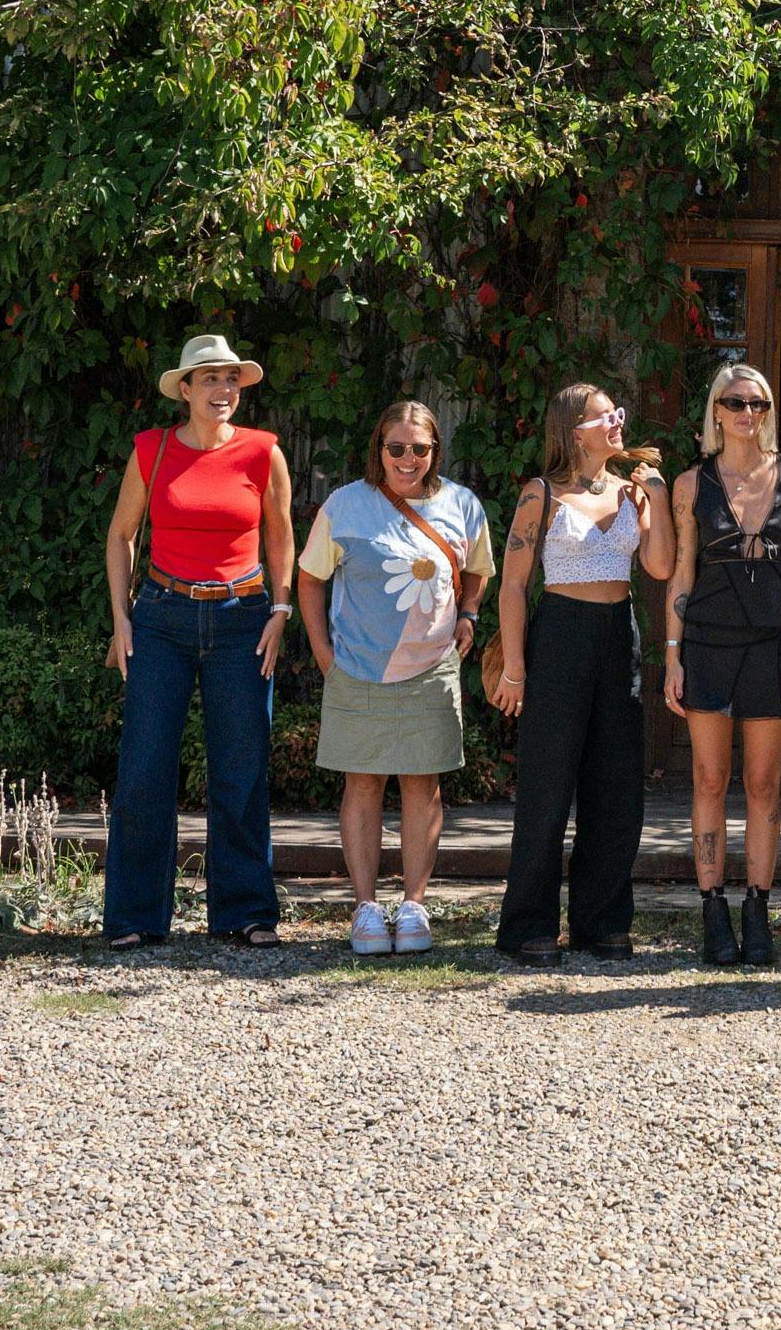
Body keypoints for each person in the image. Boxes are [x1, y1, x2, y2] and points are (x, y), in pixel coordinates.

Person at [99, 333, 294, 950]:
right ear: (184, 389)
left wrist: (281, 609)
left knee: (243, 769)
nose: (224, 389)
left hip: (244, 619)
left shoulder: (263, 452)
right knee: (144, 769)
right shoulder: (151, 449)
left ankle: (246, 911)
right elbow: (121, 534)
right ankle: (135, 917)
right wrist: (121, 618)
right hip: (161, 619)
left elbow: (281, 534)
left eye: (231, 378)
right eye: (210, 378)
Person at [298, 400, 491, 956]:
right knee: (362, 784)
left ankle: (413, 906)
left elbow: (478, 569)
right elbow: (309, 579)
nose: (408, 459)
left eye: (420, 449)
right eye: (397, 448)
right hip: (358, 668)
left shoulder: (462, 504)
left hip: (431, 669)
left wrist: (469, 613)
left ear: (435, 451)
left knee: (422, 786)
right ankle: (365, 907)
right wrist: (322, 651)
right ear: (379, 450)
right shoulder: (345, 505)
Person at [493, 383, 673, 966]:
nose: (619, 422)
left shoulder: (632, 491)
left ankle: (603, 922)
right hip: (559, 635)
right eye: (605, 416)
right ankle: (529, 925)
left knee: (618, 787)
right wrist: (515, 668)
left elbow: (660, 566)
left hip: (618, 635)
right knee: (547, 786)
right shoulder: (540, 494)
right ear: (574, 430)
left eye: (619, 413)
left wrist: (655, 496)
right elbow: (513, 586)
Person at [666, 362, 781, 966]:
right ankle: (713, 909)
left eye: (758, 403)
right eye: (735, 403)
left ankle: (758, 910)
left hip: (775, 639)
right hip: (707, 641)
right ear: (716, 410)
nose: (747, 413)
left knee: (763, 783)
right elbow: (682, 571)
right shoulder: (690, 483)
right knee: (709, 779)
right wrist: (673, 654)